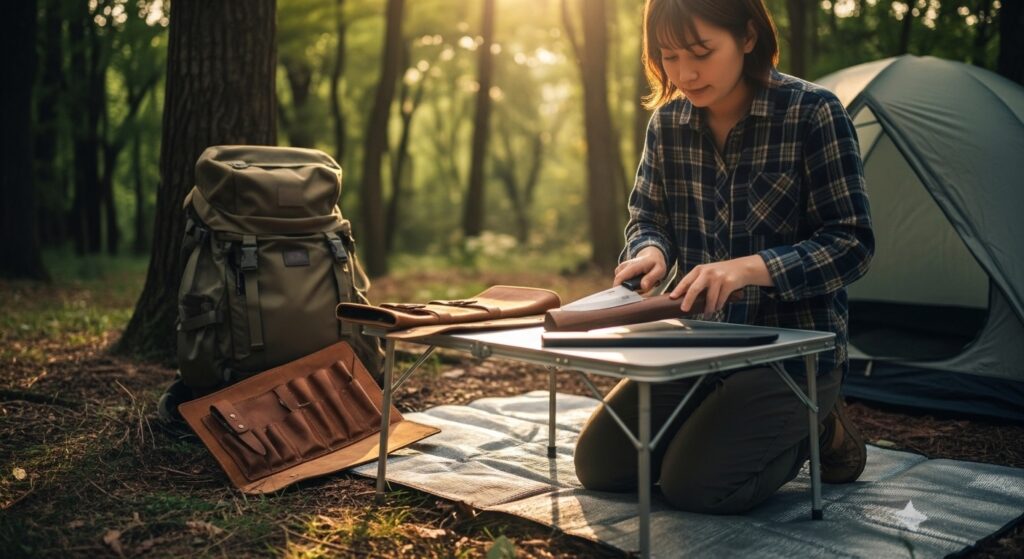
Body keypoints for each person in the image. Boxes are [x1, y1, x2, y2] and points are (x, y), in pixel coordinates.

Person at [573, 0, 874, 514]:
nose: (685, 74)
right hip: (696, 341)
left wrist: (750, 269)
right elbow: (648, 219)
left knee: (697, 486)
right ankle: (725, 421)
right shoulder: (667, 124)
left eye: (701, 53)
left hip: (792, 352)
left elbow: (852, 243)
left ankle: (819, 425)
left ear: (749, 37)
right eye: (668, 57)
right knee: (602, 465)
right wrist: (649, 252)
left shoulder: (813, 113)